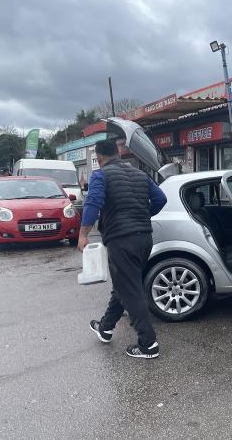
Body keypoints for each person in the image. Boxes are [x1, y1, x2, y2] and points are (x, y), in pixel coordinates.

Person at [78, 139, 167, 359]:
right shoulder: (139, 174)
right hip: (145, 239)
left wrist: (82, 235)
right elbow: (160, 199)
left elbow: (93, 203)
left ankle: (148, 344)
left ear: (99, 159)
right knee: (124, 285)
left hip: (121, 240)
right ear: (118, 153)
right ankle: (105, 328)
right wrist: (142, 215)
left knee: (131, 290)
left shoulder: (100, 176)